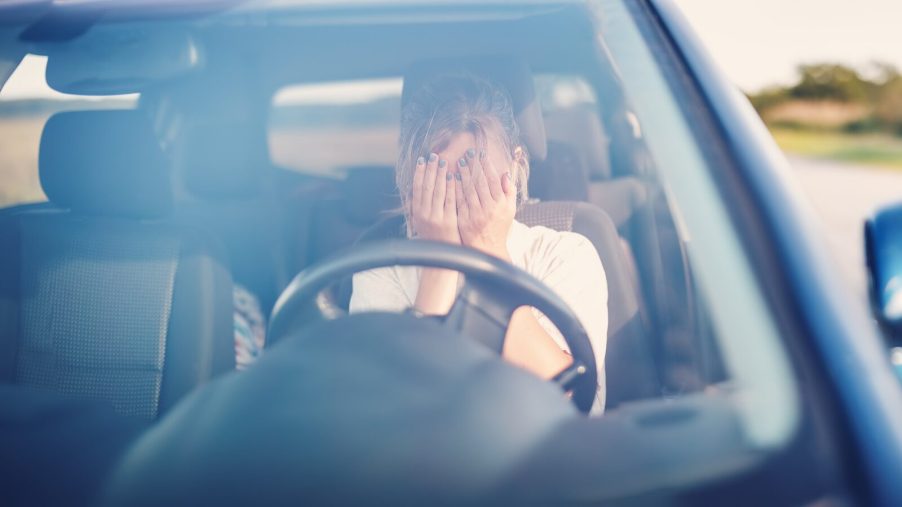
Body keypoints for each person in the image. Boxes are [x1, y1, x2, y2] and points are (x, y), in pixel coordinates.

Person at [349, 72, 609, 413]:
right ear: (413, 180)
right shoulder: (383, 267)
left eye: (475, 173)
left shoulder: (565, 254)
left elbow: (571, 400)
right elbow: (393, 411)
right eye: (441, 175)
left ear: (515, 167)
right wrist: (439, 263)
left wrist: (488, 251)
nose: (459, 192)